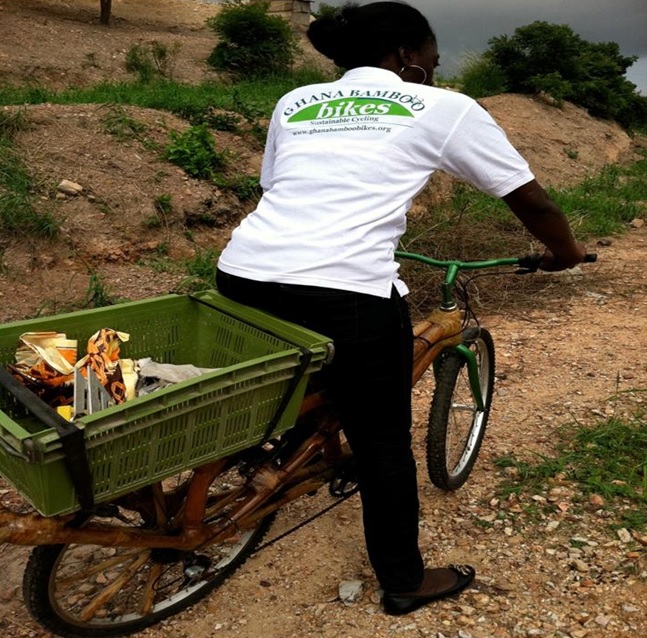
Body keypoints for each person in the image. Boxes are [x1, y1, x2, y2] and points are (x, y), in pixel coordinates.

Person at [216, 1, 587, 616]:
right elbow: (534, 204)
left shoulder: (296, 101)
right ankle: (405, 580)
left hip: (243, 275)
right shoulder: (446, 108)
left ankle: (298, 443)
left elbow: (279, 188)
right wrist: (566, 254)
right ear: (408, 56)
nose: (435, 73)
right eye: (433, 61)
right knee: (384, 439)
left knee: (311, 376)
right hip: (344, 293)